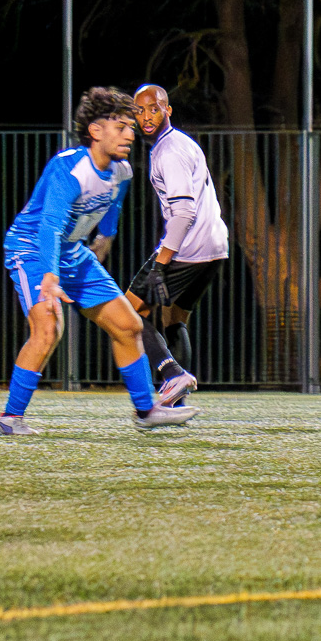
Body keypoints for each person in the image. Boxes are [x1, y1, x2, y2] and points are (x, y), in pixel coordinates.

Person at [0, 87, 199, 434]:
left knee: (129, 326)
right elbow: (50, 225)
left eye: (131, 127)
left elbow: (111, 210)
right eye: (120, 126)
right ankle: (10, 419)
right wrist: (48, 275)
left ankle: (146, 411)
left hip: (73, 252)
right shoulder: (69, 168)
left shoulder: (122, 172)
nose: (129, 133)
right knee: (48, 330)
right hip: (32, 249)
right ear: (95, 131)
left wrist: (103, 242)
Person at [123, 84, 230, 408]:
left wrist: (160, 264)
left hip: (189, 248)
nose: (146, 116)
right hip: (215, 246)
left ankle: (172, 375)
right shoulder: (182, 142)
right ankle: (176, 399)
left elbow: (183, 213)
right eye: (139, 111)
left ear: (167, 110)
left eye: (153, 108)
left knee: (126, 312)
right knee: (174, 317)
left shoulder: (168, 151)